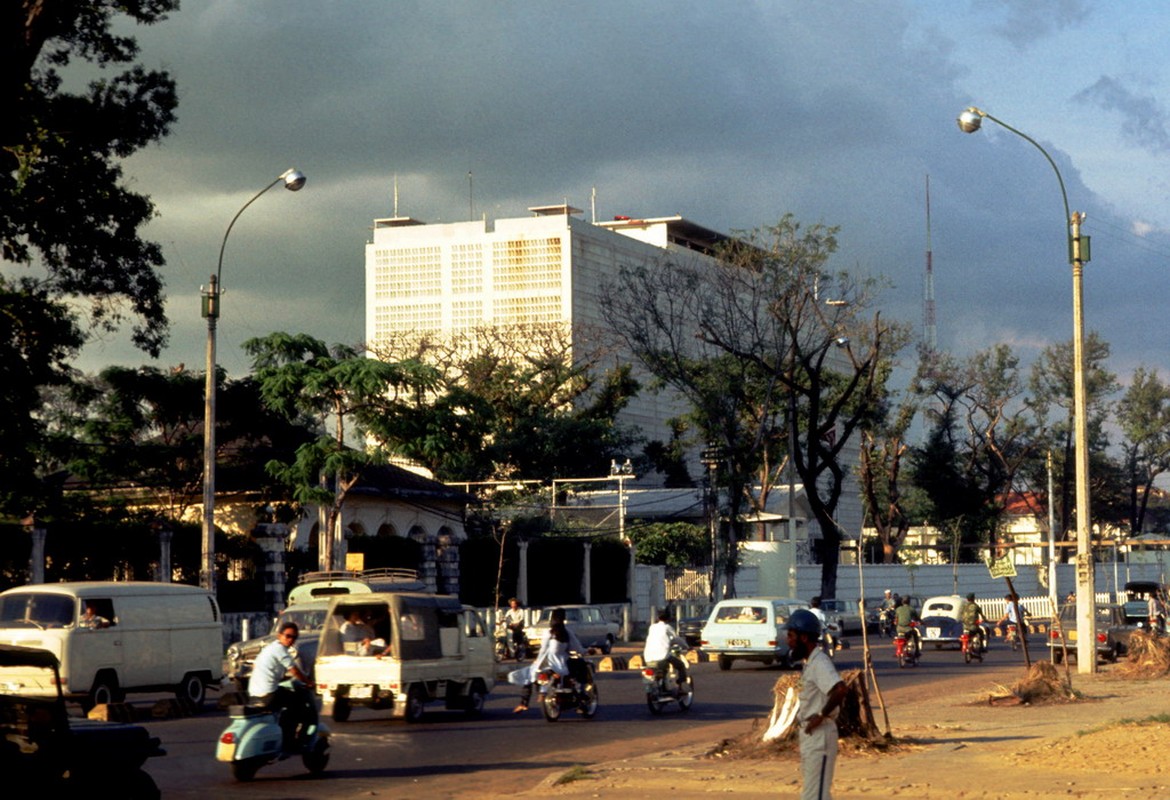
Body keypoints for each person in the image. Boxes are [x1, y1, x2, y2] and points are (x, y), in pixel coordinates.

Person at [786, 608, 847, 800]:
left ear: (804, 637)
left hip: (820, 735)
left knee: (815, 796)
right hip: (811, 735)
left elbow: (840, 689)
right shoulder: (809, 663)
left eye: (791, 635)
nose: (788, 640)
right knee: (813, 793)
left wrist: (820, 715)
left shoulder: (820, 662)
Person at [248, 621, 318, 752]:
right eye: (288, 636)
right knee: (299, 707)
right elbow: (294, 671)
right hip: (268, 693)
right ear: (279, 636)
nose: (291, 640)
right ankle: (288, 740)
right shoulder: (280, 650)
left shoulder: (269, 648)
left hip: (254, 692)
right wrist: (309, 682)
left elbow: (259, 667)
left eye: (294, 637)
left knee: (287, 699)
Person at [512, 607, 587, 713]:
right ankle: (581, 698)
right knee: (580, 669)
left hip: (545, 662)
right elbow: (577, 648)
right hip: (561, 664)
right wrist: (586, 650)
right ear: (563, 619)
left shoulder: (549, 633)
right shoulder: (566, 632)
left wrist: (537, 661)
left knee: (529, 676)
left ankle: (523, 703)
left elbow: (543, 649)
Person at [643, 610, 688, 685]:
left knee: (658, 670)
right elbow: (677, 639)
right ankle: (680, 682)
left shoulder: (652, 627)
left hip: (648, 657)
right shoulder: (667, 627)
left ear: (657, 617)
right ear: (669, 618)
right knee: (680, 665)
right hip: (662, 657)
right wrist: (686, 646)